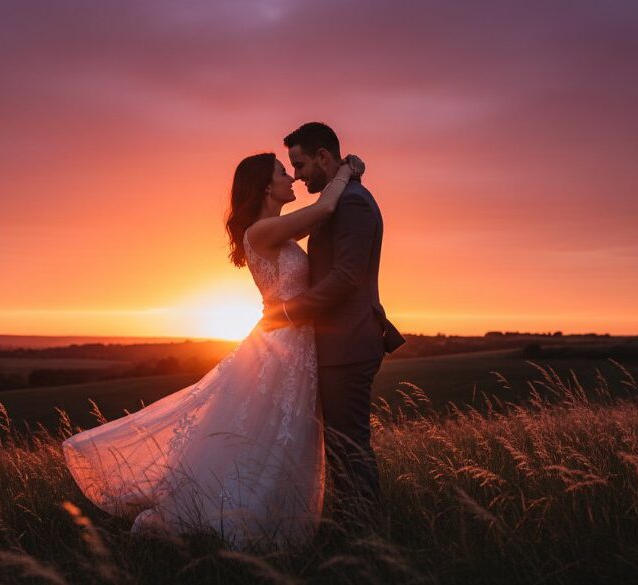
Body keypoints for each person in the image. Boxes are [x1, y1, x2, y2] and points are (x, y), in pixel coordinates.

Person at [62, 150, 364, 549]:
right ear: (265, 186)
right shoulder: (261, 232)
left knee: (281, 437)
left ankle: (271, 522)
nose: (291, 177)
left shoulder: (280, 231)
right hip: (280, 346)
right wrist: (346, 171)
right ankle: (239, 525)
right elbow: (323, 209)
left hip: (294, 345)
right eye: (282, 172)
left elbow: (320, 218)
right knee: (265, 435)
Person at [261, 122, 405, 529]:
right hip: (336, 346)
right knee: (340, 447)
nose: (297, 174)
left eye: (300, 164)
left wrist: (287, 313)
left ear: (324, 156)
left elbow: (345, 278)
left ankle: (365, 536)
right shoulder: (338, 198)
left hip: (349, 345)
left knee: (349, 447)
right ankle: (349, 526)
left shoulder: (353, 203)